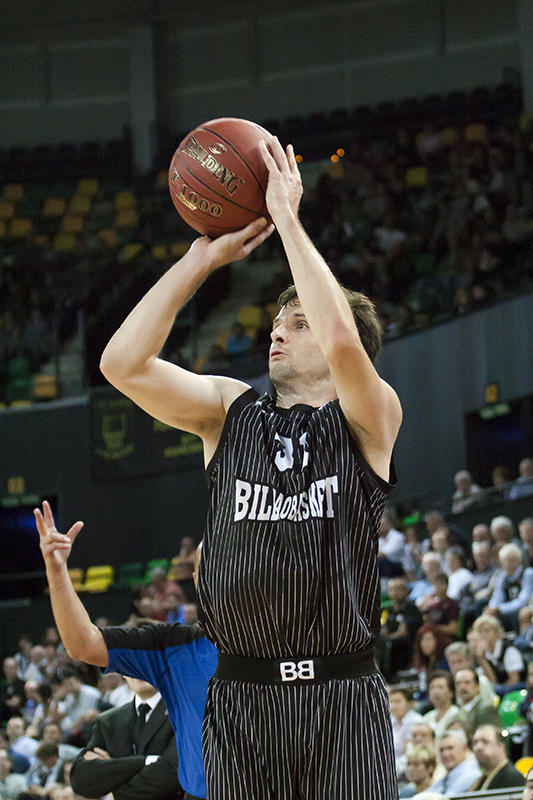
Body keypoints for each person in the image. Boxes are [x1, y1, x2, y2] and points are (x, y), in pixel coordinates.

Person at [99, 136, 402, 799]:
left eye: (296, 322)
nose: (276, 331)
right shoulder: (229, 410)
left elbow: (346, 341)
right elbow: (121, 365)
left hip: (342, 694)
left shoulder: (369, 416)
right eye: (275, 320)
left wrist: (286, 217)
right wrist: (197, 261)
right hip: (238, 697)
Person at [35, 500, 216, 800]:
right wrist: (57, 572)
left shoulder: (295, 642)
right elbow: (82, 644)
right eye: (211, 565)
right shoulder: (173, 645)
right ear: (196, 579)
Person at [69, 676, 183, 800]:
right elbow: (81, 780)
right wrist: (145, 761)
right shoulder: (109, 720)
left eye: (145, 662)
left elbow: (171, 778)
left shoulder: (183, 712)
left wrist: (111, 772)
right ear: (124, 672)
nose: (139, 670)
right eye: (132, 663)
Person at [485, 542, 533, 631]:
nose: (507, 564)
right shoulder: (502, 577)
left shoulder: (528, 573)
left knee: (519, 614)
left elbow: (524, 600)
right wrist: (492, 609)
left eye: (510, 560)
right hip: (505, 609)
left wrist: (500, 608)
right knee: (486, 611)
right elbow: (497, 597)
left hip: (522, 610)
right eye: (504, 561)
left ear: (520, 560)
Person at [470, 724, 526, 790]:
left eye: (485, 742)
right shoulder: (482, 779)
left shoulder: (513, 779)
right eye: (475, 742)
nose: (478, 747)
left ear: (501, 747)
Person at [427, 728, 482, 795]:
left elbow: (447, 798)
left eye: (450, 748)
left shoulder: (469, 774)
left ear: (464, 748)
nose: (445, 754)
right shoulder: (447, 777)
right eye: (441, 750)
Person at [454, 668, 501, 740]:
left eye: (467, 682)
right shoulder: (456, 712)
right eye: (458, 684)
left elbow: (489, 738)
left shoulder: (487, 709)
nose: (462, 687)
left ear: (477, 686)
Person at [422, 671, 460, 739]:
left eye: (440, 687)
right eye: (432, 688)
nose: (435, 691)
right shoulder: (427, 717)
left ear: (451, 693)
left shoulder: (456, 714)